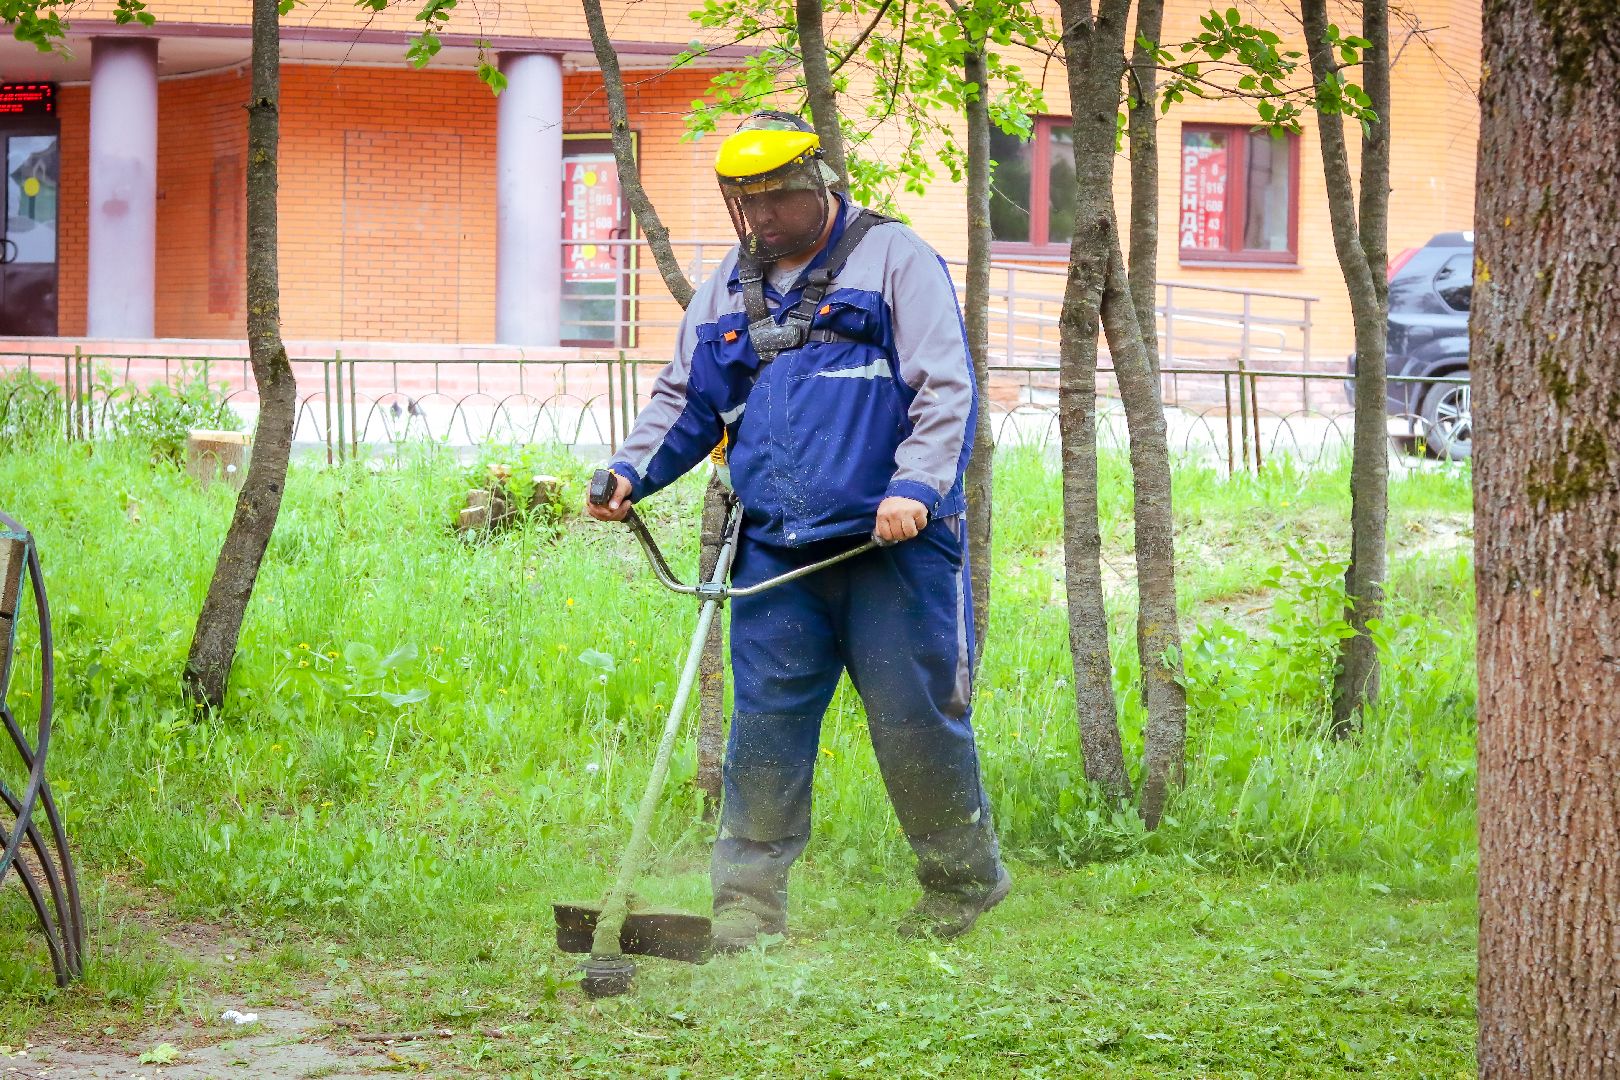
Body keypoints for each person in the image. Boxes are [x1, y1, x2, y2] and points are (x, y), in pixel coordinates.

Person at [585, 109, 1009, 950]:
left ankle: (963, 887)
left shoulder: (896, 259)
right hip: (778, 552)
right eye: (748, 205)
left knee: (915, 720)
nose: (763, 219)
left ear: (819, 185)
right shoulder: (725, 291)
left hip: (891, 545)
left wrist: (918, 485)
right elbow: (685, 400)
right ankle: (746, 911)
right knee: (766, 730)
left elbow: (944, 386)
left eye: (778, 198)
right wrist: (631, 470)